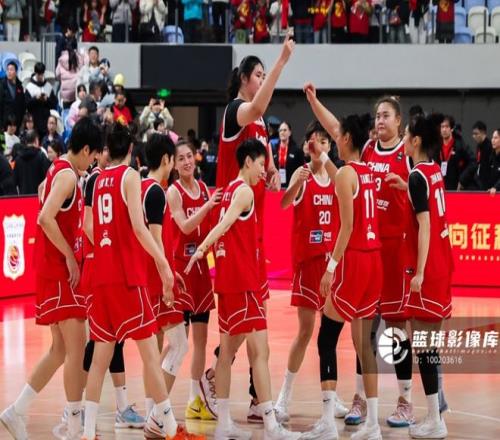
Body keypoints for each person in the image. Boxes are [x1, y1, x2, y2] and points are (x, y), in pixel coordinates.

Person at [82, 124, 203, 440]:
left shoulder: (97, 179)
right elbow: (139, 227)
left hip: (101, 277)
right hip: (127, 279)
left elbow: (89, 226)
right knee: (151, 355)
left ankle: (86, 432)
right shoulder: (130, 176)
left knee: (99, 360)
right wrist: (163, 264)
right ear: (130, 150)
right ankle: (169, 428)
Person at [185, 138, 301, 440]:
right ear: (248, 161)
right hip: (243, 284)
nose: (264, 170)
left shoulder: (228, 191)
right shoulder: (245, 192)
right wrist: (202, 249)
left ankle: (224, 423)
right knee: (260, 352)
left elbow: (229, 228)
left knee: (226, 353)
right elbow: (223, 225)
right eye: (261, 164)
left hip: (228, 282)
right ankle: (271, 426)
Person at [0, 118, 102, 440]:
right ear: (86, 150)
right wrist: (70, 256)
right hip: (59, 272)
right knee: (76, 349)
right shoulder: (68, 175)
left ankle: (16, 411)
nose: (93, 163)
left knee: (59, 350)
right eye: (93, 156)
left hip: (52, 270)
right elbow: (45, 218)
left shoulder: (58, 169)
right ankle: (74, 426)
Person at [212, 37, 294, 422]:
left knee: (252, 322)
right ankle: (218, 382)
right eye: (258, 74)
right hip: (234, 229)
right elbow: (258, 105)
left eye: (265, 73)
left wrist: (273, 171)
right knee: (247, 323)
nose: (262, 79)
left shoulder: (259, 124)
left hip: (254, 228)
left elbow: (264, 164)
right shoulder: (236, 112)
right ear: (245, 78)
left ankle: (252, 399)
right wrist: (281, 61)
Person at [303, 85, 383, 440]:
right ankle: (373, 424)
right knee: (364, 345)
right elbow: (343, 179)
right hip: (375, 261)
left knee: (326, 337)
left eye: (337, 137)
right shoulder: (366, 172)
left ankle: (326, 420)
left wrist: (331, 268)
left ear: (347, 138)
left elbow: (347, 227)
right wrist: (323, 155)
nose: (334, 140)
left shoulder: (347, 175)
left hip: (354, 262)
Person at [274, 119, 349, 424]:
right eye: (314, 140)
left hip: (331, 265)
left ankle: (332, 395)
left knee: (329, 336)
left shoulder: (337, 176)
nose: (319, 145)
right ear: (307, 146)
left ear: (329, 146)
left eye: (324, 140)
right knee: (305, 332)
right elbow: (283, 203)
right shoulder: (301, 173)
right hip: (308, 264)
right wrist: (296, 183)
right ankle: (284, 396)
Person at [79, 145, 145, 431]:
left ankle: (119, 406)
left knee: (112, 340)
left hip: (107, 266)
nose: (106, 153)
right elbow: (88, 224)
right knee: (98, 342)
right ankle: (79, 408)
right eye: (102, 149)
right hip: (99, 266)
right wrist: (109, 252)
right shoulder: (97, 179)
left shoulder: (110, 178)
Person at [403, 113, 452, 438]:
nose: (404, 140)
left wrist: (419, 272)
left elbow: (425, 224)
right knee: (427, 344)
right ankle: (437, 410)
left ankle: (436, 419)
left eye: (407, 135)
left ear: (416, 140)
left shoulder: (416, 176)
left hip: (429, 268)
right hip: (443, 263)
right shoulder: (432, 170)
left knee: (424, 347)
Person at [166, 141, 222, 421]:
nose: (187, 161)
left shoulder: (202, 188)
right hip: (181, 271)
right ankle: (158, 399)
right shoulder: (173, 192)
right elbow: (185, 226)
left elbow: (210, 229)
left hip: (200, 270)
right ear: (174, 164)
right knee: (178, 342)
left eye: (189, 156)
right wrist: (208, 206)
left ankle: (193, 400)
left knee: (201, 340)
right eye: (181, 158)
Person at [141, 133, 191, 417]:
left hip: (150, 276)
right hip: (156, 279)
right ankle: (159, 415)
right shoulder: (157, 192)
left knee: (156, 346)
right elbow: (155, 239)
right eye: (175, 158)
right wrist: (167, 278)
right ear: (166, 160)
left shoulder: (141, 187)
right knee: (179, 345)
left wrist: (170, 270)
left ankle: (153, 413)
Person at [436, 115, 475, 191]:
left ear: (452, 129)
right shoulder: (437, 147)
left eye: (447, 127)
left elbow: (473, 162)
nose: (444, 129)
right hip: (440, 187)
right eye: (442, 127)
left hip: (456, 188)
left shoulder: (460, 145)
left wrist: (462, 180)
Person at [25, 62, 58, 139]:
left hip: (46, 122)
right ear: (35, 73)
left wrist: (47, 99)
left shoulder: (48, 86)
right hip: (34, 121)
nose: (40, 76)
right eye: (38, 74)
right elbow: (26, 105)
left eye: (41, 74)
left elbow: (54, 104)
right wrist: (35, 99)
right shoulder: (29, 87)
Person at [13, 130, 51, 195]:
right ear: (36, 140)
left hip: (23, 197)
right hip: (38, 197)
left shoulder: (18, 159)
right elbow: (48, 178)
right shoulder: (41, 157)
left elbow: (14, 181)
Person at [272, 121, 304, 188]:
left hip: (292, 186)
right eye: (280, 130)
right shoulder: (273, 150)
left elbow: (301, 170)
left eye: (285, 130)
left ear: (290, 132)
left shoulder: (297, 150)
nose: (282, 132)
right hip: (276, 187)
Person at [56, 42, 84, 107]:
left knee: (66, 111)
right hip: (75, 90)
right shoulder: (79, 57)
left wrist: (62, 79)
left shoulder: (61, 59)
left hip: (65, 93)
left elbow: (57, 74)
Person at [0, 61, 26, 130]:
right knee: (3, 137)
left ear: (16, 72)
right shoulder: (2, 85)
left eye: (11, 69)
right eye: (8, 69)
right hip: (4, 124)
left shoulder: (20, 86)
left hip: (16, 124)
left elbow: (22, 106)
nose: (9, 72)